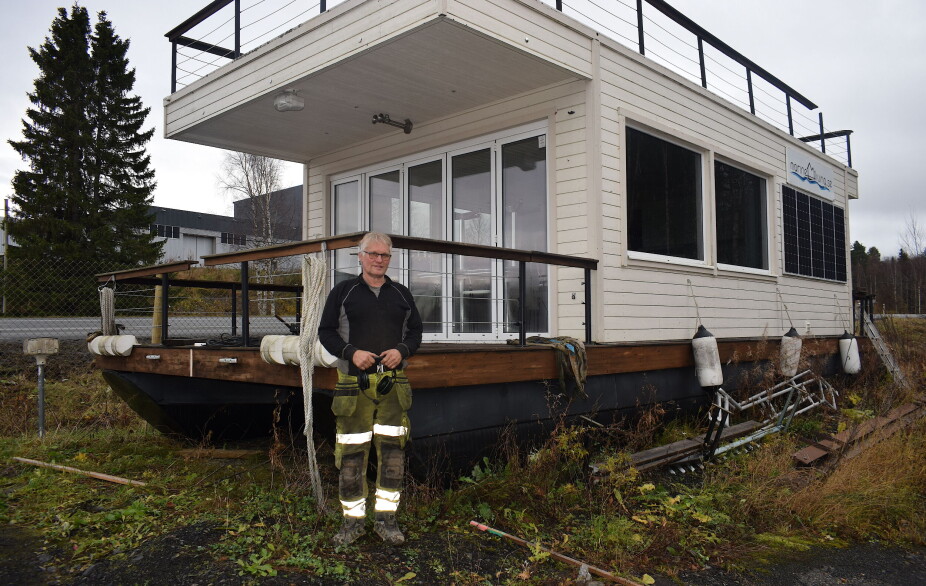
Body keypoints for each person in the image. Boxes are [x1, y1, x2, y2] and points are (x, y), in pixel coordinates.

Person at [318, 232, 423, 546]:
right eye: (373, 254)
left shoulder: (401, 294)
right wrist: (351, 352)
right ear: (360, 256)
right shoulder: (343, 291)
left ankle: (386, 522)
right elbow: (326, 331)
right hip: (353, 386)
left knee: (392, 455)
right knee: (351, 455)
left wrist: (402, 350)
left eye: (385, 255)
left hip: (393, 385)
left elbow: (416, 331)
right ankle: (351, 525)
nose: (379, 260)